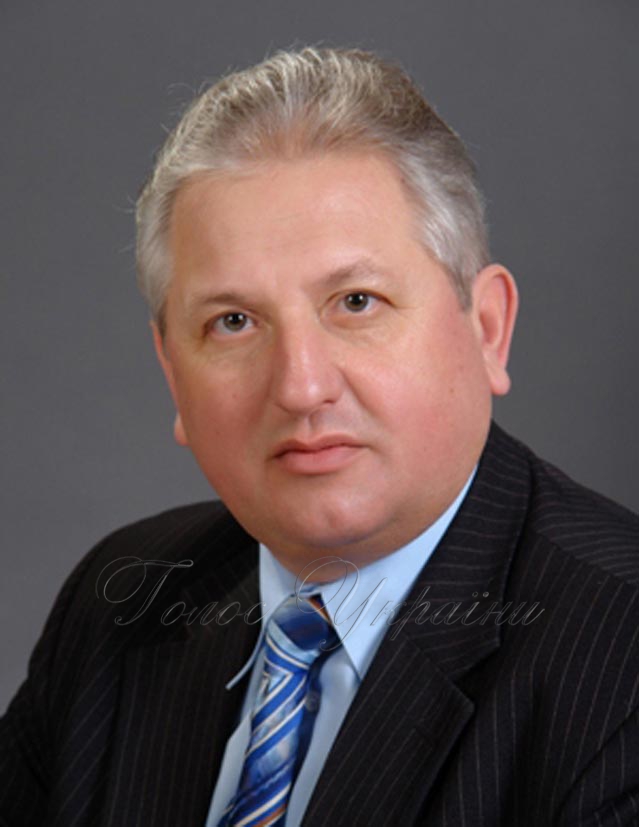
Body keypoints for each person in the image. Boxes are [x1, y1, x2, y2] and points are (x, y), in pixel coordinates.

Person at [1, 47, 638, 827]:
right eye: (233, 321)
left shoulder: (620, 665)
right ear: (171, 372)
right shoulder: (119, 604)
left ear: (486, 329)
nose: (301, 386)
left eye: (356, 302)